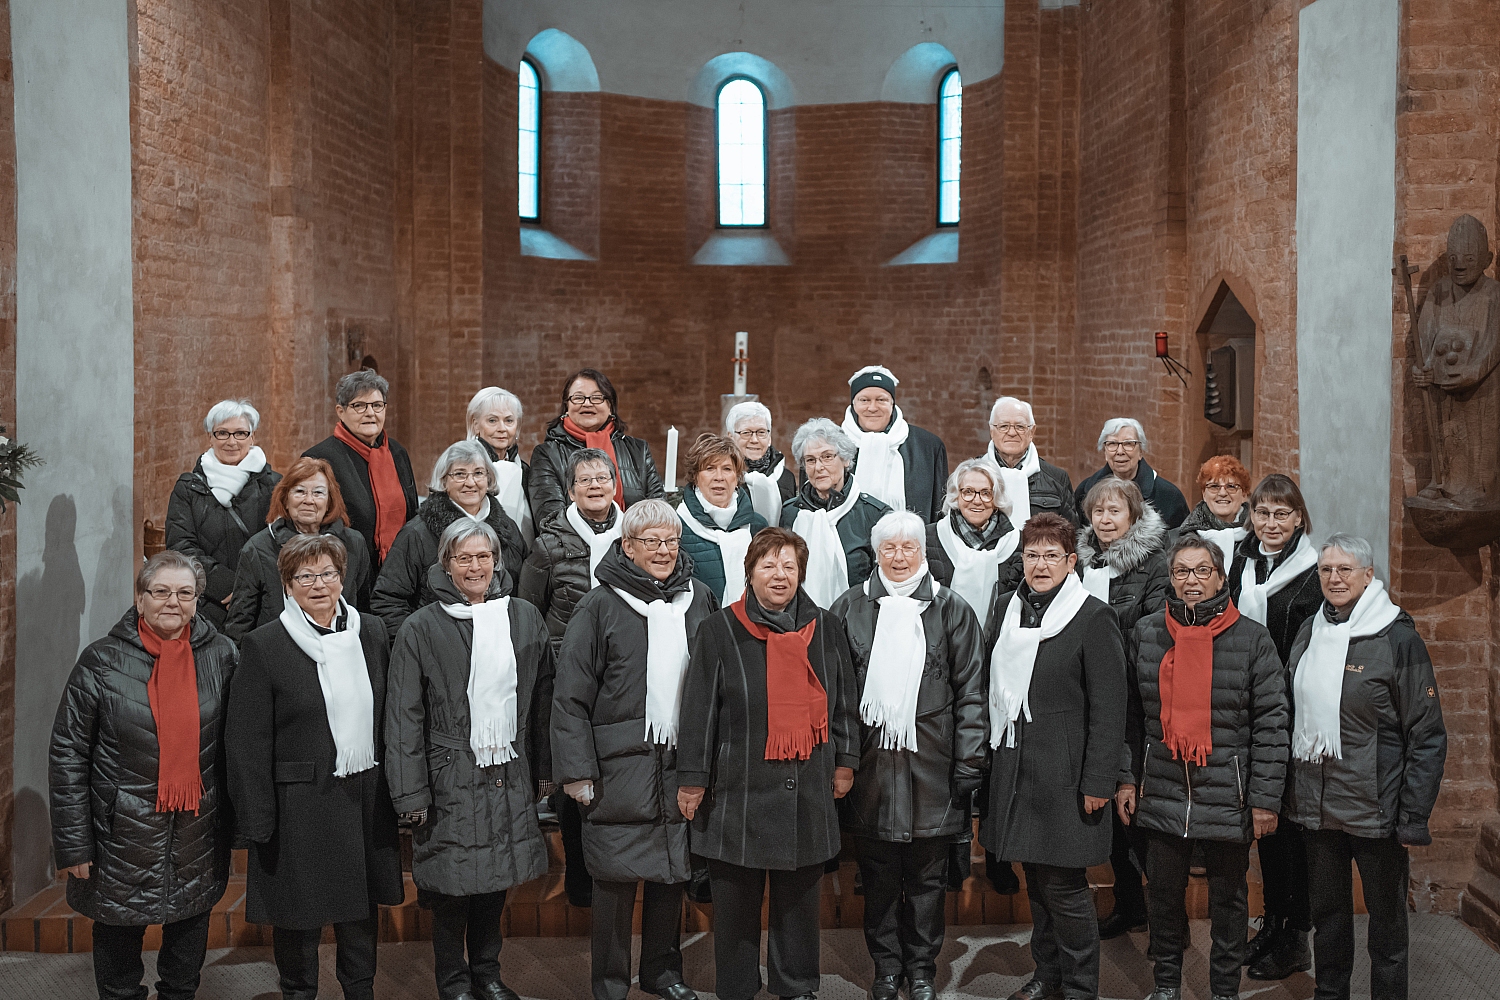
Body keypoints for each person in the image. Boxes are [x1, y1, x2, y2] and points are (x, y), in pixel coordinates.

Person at [677, 528, 860, 1000]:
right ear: (750, 572)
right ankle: (737, 987)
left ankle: (795, 985)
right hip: (737, 792)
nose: (780, 575)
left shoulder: (826, 627)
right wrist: (692, 780)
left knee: (799, 904)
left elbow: (843, 703)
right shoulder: (719, 629)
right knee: (736, 907)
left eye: (789, 567)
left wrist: (845, 761)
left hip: (808, 787)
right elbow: (698, 713)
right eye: (768, 565)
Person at [49, 551, 237, 1000]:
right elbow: (68, 752)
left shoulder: (223, 655)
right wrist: (74, 844)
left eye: (185, 593)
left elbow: (238, 747)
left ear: (197, 601)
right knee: (118, 968)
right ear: (140, 598)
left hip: (196, 832)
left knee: (184, 968)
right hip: (119, 835)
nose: (173, 601)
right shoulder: (101, 661)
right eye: (161, 591)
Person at [226, 534, 404, 1000]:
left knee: (360, 912)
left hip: (362, 795)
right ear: (287, 584)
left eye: (327, 573)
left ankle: (359, 991)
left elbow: (388, 716)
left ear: (343, 578)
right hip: (298, 806)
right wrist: (256, 818)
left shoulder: (371, 633)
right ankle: (298, 991)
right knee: (297, 917)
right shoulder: (265, 644)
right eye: (305, 576)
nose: (319, 584)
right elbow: (247, 742)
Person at [552, 499, 716, 1000]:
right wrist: (577, 771)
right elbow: (570, 696)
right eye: (651, 542)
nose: (664, 551)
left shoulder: (699, 598)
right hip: (616, 768)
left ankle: (663, 973)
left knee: (670, 873)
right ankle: (610, 983)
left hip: (680, 761)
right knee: (615, 884)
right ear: (627, 546)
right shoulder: (599, 606)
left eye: (671, 541)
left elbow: (714, 683)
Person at [386, 520, 554, 1000]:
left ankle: (488, 975)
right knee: (452, 887)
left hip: (508, 767)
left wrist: (545, 769)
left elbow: (543, 699)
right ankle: (454, 982)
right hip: (449, 772)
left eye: (484, 556)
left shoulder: (524, 616)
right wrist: (410, 792)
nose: (475, 566)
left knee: (494, 882)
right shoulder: (421, 626)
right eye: (464, 558)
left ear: (497, 561)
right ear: (446, 565)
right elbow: (403, 715)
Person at [1116, 532, 1288, 1000]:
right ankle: (1166, 984)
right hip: (1162, 788)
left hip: (1228, 794)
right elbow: (1130, 716)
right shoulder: (1147, 633)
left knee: (1229, 904)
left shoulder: (1252, 639)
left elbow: (1272, 725)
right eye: (1181, 571)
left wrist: (1264, 799)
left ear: (1219, 577)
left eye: (1201, 571)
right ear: (1170, 579)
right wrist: (1127, 778)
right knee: (1163, 898)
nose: (1191, 580)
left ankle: (1224, 990)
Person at [1284, 534, 1446, 1000]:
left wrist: (1413, 816)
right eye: (1326, 569)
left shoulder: (1398, 638)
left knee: (1387, 928)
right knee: (1329, 920)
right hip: (1318, 808)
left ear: (1369, 575)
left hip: (1378, 811)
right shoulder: (1310, 630)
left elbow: (1427, 735)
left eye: (1345, 569)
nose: (1334, 578)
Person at [831, 512, 985, 1000]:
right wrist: (842, 759)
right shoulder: (849, 607)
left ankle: (921, 970)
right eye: (889, 548)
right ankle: (885, 968)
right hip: (872, 767)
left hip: (933, 766)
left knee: (926, 881)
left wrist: (969, 760)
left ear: (923, 552)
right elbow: (836, 696)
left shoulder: (952, 608)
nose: (899, 557)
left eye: (909, 547)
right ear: (876, 553)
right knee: (877, 879)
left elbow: (971, 693)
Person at [979, 513, 1126, 1000]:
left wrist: (1099, 781)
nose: (1040, 565)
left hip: (1066, 774)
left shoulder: (1092, 617)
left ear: (1071, 561)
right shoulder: (1008, 608)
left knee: (1064, 887)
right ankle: (1048, 975)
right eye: (1031, 555)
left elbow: (1110, 709)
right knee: (1036, 883)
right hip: (1017, 769)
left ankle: (1081, 987)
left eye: (1050, 556)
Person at [516, 447, 623, 908]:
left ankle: (615, 874)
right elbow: (529, 613)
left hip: (622, 675)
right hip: (566, 674)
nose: (595, 486)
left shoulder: (633, 538)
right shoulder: (549, 544)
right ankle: (580, 880)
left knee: (616, 773)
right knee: (572, 774)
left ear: (615, 485)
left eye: (603, 478)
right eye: (585, 480)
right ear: (570, 490)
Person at [1226, 473, 1322, 981]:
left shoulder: (1313, 572)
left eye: (1281, 514)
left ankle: (1296, 937)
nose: (1270, 522)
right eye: (1262, 513)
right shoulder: (1242, 561)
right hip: (1247, 707)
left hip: (1290, 710)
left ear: (1299, 518)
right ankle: (1274, 922)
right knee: (1264, 823)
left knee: (1291, 830)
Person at [1074, 477, 1170, 940]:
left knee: (1136, 815)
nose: (1105, 520)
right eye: (1098, 512)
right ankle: (1130, 904)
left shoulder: (1154, 563)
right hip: (1087, 695)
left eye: (1115, 511)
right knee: (1110, 815)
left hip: (1134, 698)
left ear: (1133, 515)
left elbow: (1155, 630)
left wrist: (1104, 654)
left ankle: (1168, 921)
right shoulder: (1080, 560)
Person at [371, 440, 527, 638]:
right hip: (439, 645)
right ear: (444, 481)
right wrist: (418, 646)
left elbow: (522, 590)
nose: (470, 482)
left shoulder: (508, 528)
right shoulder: (417, 533)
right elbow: (387, 600)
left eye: (478, 473)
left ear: (488, 479)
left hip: (500, 640)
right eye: (460, 474)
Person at [224, 457, 371, 642]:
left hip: (340, 645)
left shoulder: (354, 543)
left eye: (318, 493)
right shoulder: (258, 548)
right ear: (285, 499)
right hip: (279, 649)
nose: (308, 500)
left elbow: (364, 608)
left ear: (329, 502)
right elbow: (240, 623)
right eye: (300, 491)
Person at [166, 399, 281, 630]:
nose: (231, 441)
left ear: (252, 437)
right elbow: (181, 546)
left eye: (240, 433)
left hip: (264, 604)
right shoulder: (189, 489)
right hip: (209, 605)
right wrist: (226, 586)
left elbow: (284, 542)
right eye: (222, 433)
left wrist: (250, 590)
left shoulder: (275, 485)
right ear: (210, 437)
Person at [1412, 213, 1500, 503]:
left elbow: (1496, 343)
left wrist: (1475, 371)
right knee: (1443, 431)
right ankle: (1442, 481)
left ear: (1487, 259)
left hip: (1481, 386)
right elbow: (1424, 335)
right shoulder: (1439, 291)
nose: (1459, 264)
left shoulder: (1494, 295)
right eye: (1453, 258)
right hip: (1443, 383)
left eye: (1469, 258)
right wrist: (1421, 368)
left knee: (1478, 435)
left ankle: (1479, 488)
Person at [304, 370, 419, 580]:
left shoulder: (398, 453)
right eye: (359, 405)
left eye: (377, 405)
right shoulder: (319, 459)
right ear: (340, 411)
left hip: (401, 573)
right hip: (347, 574)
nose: (370, 413)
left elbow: (412, 514)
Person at [528, 368, 664, 526]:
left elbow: (658, 509)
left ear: (610, 406)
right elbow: (549, 516)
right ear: (566, 406)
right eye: (578, 398)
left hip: (634, 539)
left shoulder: (638, 450)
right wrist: (599, 537)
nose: (587, 403)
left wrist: (630, 537)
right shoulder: (546, 454)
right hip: (573, 540)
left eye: (597, 398)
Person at [781, 417, 892, 608]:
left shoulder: (875, 515)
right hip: (800, 617)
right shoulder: (791, 512)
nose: (818, 467)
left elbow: (887, 583)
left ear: (846, 459)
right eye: (810, 460)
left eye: (827, 457)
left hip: (857, 616)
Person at [841, 365, 949, 523]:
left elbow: (940, 508)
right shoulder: (833, 446)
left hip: (912, 537)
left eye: (881, 400)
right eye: (864, 400)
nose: (872, 407)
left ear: (892, 404)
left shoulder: (928, 447)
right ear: (853, 404)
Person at [924, 457, 1023, 630]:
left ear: (996, 499)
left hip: (999, 641)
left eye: (986, 493)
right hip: (939, 641)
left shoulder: (1018, 543)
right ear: (956, 495)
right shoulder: (928, 537)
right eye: (968, 491)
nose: (977, 500)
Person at [677, 433, 769, 605]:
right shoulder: (677, 526)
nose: (719, 477)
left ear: (737, 477)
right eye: (710, 468)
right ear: (696, 477)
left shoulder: (758, 525)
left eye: (727, 469)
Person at [1074, 418, 1189, 530]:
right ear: (1105, 452)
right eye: (1112, 444)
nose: (1120, 451)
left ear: (1141, 451)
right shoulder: (1085, 491)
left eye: (1128, 444)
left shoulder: (1169, 496)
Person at [984, 396, 1079, 526]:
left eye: (1020, 426)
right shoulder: (971, 475)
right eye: (1003, 426)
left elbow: (1072, 532)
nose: (1011, 432)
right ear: (992, 431)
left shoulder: (1057, 479)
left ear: (1031, 432)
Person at [468, 386, 534, 544]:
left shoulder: (525, 471)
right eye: (492, 421)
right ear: (476, 425)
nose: (502, 428)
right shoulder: (462, 468)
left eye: (509, 421)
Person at [726, 399, 797, 524]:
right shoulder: (722, 475)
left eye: (761, 432)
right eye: (746, 433)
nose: (754, 440)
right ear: (731, 437)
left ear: (769, 438)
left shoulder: (786, 478)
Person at [1176, 455, 1252, 567]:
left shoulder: (1259, 536)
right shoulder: (1180, 538)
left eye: (1231, 486)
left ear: (1244, 494)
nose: (1222, 493)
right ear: (1204, 494)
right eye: (1214, 486)